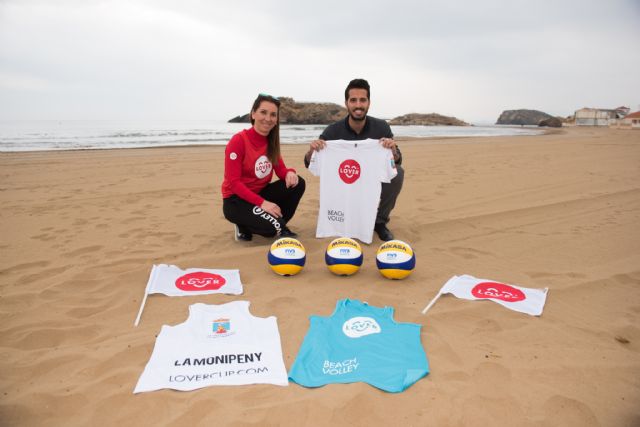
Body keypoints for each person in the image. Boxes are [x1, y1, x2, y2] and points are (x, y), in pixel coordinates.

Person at [303, 79, 403, 241]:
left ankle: (379, 222)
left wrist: (393, 150)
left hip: (369, 176)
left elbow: (396, 161)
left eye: (362, 100)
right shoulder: (333, 131)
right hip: (345, 181)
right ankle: (341, 218)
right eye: (353, 100)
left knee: (398, 174)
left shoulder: (381, 128)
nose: (358, 105)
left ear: (369, 103)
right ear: (346, 103)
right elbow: (310, 163)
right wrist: (312, 151)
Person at [222, 93, 305, 241]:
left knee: (298, 183)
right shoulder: (238, 141)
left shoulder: (271, 142)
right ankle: (245, 224)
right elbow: (234, 183)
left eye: (273, 115)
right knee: (270, 230)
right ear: (253, 113)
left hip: (259, 194)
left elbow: (281, 171)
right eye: (263, 112)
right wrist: (263, 203)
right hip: (236, 201)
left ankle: (279, 223)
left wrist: (290, 173)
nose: (268, 118)